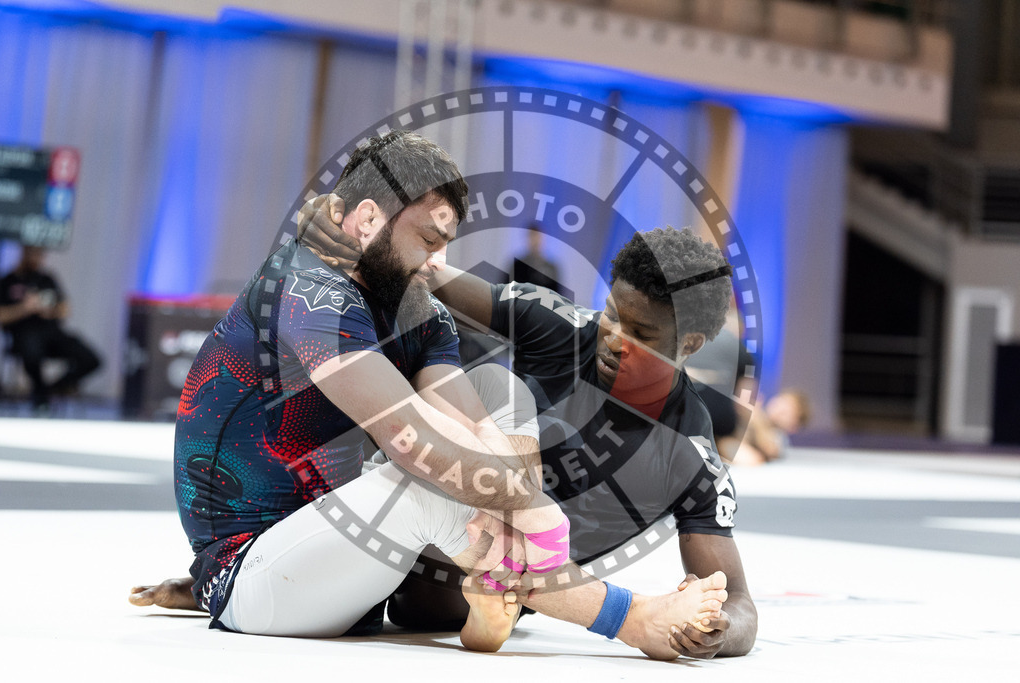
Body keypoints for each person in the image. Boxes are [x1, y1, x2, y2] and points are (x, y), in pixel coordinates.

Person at [141, 130, 729, 658]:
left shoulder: (422, 313)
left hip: (352, 576)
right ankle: (630, 619)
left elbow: (472, 421)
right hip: (252, 575)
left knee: (498, 389)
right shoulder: (308, 293)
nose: (439, 261)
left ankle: (492, 599)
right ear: (367, 219)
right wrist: (534, 510)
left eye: (447, 241)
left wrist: (519, 496)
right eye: (428, 238)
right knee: (425, 480)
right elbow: (413, 444)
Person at [0, 245, 101, 409]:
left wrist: (48, 311)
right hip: (23, 334)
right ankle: (40, 394)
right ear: (24, 253)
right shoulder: (7, 281)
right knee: (31, 350)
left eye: (40, 255)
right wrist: (25, 308)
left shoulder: (46, 279)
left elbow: (65, 309)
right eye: (33, 254)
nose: (37, 259)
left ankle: (49, 390)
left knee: (92, 359)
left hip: (51, 333)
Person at [728, 389, 811, 466]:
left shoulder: (779, 436)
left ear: (793, 428)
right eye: (783, 401)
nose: (780, 409)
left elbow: (769, 448)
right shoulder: (757, 412)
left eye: (788, 412)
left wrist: (756, 416)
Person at [506, 224, 565, 295]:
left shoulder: (551, 267)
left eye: (537, 237)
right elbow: (506, 291)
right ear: (528, 239)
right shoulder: (517, 266)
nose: (535, 241)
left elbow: (558, 295)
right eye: (532, 237)